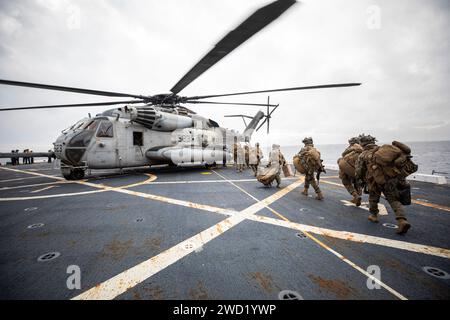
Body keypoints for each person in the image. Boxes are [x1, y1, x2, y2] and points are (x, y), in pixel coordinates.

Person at [355, 134, 412, 234]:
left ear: (362, 144)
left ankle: (374, 215)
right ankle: (402, 220)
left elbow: (359, 171)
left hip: (374, 181)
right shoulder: (382, 150)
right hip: (391, 179)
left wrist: (360, 179)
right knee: (393, 199)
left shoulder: (362, 155)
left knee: (373, 198)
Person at [337, 137, 363, 206]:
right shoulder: (362, 149)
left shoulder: (349, 149)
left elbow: (343, 156)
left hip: (347, 170)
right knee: (356, 182)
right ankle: (358, 195)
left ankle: (356, 196)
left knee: (346, 182)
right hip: (357, 170)